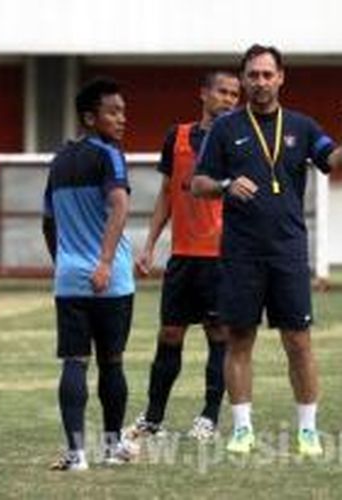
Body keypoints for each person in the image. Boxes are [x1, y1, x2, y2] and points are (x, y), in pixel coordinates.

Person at [192, 44, 342, 456]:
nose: (260, 82)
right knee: (239, 338)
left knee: (299, 341)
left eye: (267, 74)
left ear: (281, 77)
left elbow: (332, 157)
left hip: (288, 251)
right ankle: (243, 428)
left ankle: (307, 430)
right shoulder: (225, 128)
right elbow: (198, 183)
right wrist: (225, 184)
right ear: (243, 80)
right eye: (253, 75)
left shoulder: (303, 125)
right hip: (240, 252)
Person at [125, 71, 240, 442]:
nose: (229, 100)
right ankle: (153, 417)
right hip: (183, 257)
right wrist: (149, 244)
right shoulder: (177, 136)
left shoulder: (239, 139)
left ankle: (208, 417)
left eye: (234, 95)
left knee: (218, 335)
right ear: (204, 93)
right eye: (222, 92)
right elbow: (166, 193)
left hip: (221, 258)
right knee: (170, 334)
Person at [42, 77, 135, 470]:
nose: (122, 119)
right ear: (89, 117)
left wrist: (64, 262)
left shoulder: (60, 160)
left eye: (123, 112)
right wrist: (104, 263)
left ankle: (76, 453)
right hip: (110, 280)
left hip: (69, 280)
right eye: (113, 112)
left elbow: (47, 221)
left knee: (75, 362)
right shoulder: (109, 155)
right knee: (111, 362)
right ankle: (112, 447)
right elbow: (119, 207)